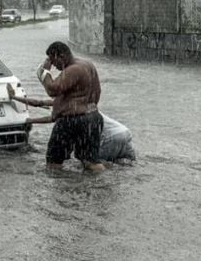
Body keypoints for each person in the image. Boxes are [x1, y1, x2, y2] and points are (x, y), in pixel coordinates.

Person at [9, 85, 135, 163]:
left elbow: (47, 113)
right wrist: (14, 98)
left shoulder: (70, 108)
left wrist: (31, 120)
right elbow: (38, 103)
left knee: (91, 163)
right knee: (126, 164)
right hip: (125, 133)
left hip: (112, 137)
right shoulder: (83, 104)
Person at [34, 41, 105, 172]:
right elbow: (97, 92)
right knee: (91, 161)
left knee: (53, 162)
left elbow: (53, 89)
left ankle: (61, 185)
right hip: (93, 118)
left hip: (72, 121)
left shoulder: (74, 69)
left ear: (61, 56)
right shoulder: (88, 65)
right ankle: (100, 182)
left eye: (53, 61)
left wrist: (44, 72)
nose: (54, 66)